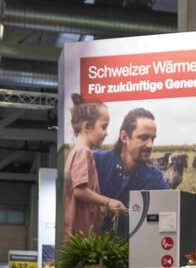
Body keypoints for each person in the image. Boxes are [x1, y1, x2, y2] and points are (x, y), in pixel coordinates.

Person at [94, 108, 168, 237]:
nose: (150, 145)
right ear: (124, 137)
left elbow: (169, 213)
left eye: (153, 139)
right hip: (90, 244)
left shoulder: (154, 177)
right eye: (143, 138)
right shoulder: (96, 162)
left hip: (132, 247)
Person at [63, 94, 125, 239]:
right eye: (103, 127)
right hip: (80, 236)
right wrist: (108, 202)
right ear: (87, 127)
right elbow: (79, 190)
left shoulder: (77, 151)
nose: (106, 133)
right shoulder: (83, 152)